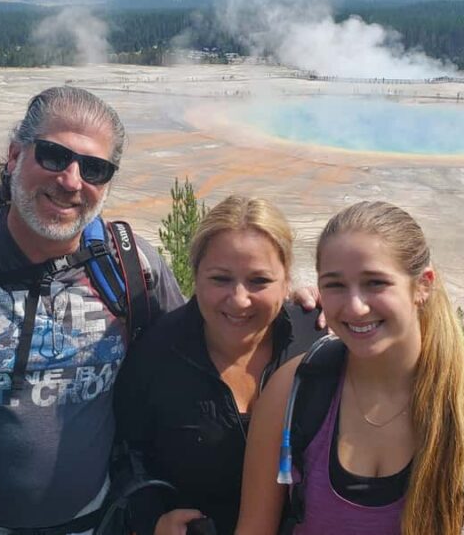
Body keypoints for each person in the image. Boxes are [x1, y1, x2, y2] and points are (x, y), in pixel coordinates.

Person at [0, 86, 185, 534]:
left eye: (95, 168)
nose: (71, 180)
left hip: (94, 521)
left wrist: (289, 311)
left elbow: (197, 350)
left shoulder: (131, 267)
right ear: (13, 156)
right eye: (53, 155)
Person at [236, 201, 464, 535]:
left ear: (423, 286)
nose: (355, 306)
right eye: (335, 285)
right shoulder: (292, 390)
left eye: (375, 283)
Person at [114, 195, 325, 535]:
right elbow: (125, 452)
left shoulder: (317, 339)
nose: (239, 299)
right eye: (220, 279)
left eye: (259, 281)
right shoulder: (155, 353)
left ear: (287, 281)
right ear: (195, 275)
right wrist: (152, 519)